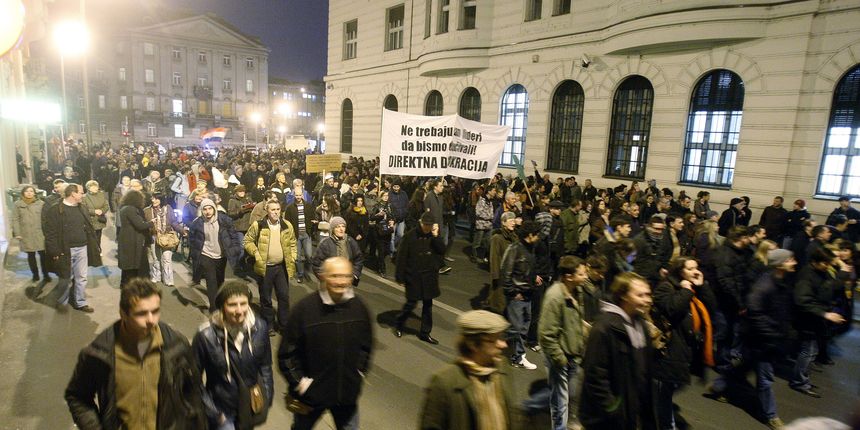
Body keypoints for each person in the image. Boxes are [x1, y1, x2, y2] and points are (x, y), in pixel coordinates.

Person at [65, 279, 206, 429]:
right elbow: (77, 397)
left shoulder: (177, 345)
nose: (151, 320)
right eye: (141, 314)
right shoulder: (99, 353)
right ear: (123, 314)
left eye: (155, 311)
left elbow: (194, 392)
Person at [278, 256, 374, 430]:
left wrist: (358, 374)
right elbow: (286, 354)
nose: (341, 281)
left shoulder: (359, 308)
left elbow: (366, 347)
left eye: (346, 276)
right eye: (335, 276)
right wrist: (301, 384)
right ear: (323, 276)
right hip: (311, 398)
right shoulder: (304, 309)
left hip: (346, 398)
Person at [579, 272, 658, 430]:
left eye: (648, 294)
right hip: (607, 420)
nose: (647, 300)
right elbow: (595, 377)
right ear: (623, 296)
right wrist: (614, 410)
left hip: (630, 414)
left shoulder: (641, 325)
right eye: (640, 295)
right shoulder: (605, 327)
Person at [419, 310, 520, 430]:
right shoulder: (444, 382)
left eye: (502, 338)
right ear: (473, 344)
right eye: (494, 340)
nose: (503, 345)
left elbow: (510, 412)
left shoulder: (502, 367)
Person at [193, 281, 274, 429]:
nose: (239, 310)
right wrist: (213, 412)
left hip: (249, 408)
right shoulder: (205, 336)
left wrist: (267, 397)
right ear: (222, 307)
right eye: (232, 305)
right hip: (222, 412)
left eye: (243, 303)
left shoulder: (260, 327)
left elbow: (265, 366)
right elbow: (193, 380)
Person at [652, 257, 717, 430]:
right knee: (665, 394)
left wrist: (702, 287)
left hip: (686, 350)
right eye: (690, 269)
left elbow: (711, 309)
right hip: (670, 351)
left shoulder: (695, 287)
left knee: (668, 390)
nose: (695, 272)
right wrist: (686, 291)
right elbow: (672, 309)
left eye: (696, 267)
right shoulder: (667, 287)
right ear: (679, 271)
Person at [745, 249, 797, 430]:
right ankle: (771, 416)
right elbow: (755, 313)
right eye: (790, 260)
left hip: (769, 339)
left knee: (745, 366)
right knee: (765, 379)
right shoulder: (765, 285)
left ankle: (720, 385)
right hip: (763, 341)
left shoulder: (781, 281)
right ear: (780, 264)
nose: (794, 262)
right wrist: (772, 334)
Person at [539, 256, 590, 430]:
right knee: (561, 402)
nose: (586, 277)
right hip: (561, 358)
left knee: (569, 395)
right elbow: (546, 334)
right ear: (569, 276)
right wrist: (560, 359)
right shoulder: (555, 297)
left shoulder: (577, 291)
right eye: (582, 274)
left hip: (573, 356)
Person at [790, 247, 848, 397]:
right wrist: (825, 314)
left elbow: (832, 286)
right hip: (808, 320)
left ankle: (801, 379)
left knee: (810, 351)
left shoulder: (821, 272)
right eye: (825, 263)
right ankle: (799, 382)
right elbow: (802, 301)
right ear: (815, 262)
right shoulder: (806, 276)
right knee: (808, 351)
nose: (828, 266)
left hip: (815, 319)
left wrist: (843, 271)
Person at [43, 183, 101, 313]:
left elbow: (89, 228)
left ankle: (80, 302)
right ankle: (62, 302)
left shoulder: (82, 208)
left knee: (82, 277)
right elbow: (50, 233)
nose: (83, 195)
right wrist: (54, 251)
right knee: (65, 278)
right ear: (73, 194)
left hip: (82, 248)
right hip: (65, 250)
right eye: (81, 192)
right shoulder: (55, 210)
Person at [243, 199, 297, 334]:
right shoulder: (258, 225)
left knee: (283, 297)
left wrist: (293, 257)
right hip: (265, 268)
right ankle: (269, 324)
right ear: (267, 210)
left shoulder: (286, 225)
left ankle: (284, 325)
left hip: (281, 268)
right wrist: (256, 253)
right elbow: (247, 241)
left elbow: (292, 242)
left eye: (278, 209)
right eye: (273, 209)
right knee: (266, 298)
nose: (276, 212)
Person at [393, 212, 446, 344]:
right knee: (411, 303)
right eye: (425, 225)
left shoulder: (433, 236)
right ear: (421, 223)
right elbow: (401, 257)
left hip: (429, 276)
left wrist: (436, 236)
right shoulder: (410, 236)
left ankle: (425, 333)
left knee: (428, 305)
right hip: (414, 275)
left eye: (429, 225)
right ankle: (399, 323)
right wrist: (400, 277)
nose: (427, 228)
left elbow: (441, 250)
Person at [500, 220, 542, 370]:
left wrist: (534, 277)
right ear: (530, 235)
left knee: (522, 327)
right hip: (518, 295)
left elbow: (526, 269)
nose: (538, 237)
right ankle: (517, 357)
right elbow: (505, 272)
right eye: (537, 234)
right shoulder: (514, 249)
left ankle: (512, 351)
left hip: (527, 293)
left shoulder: (530, 249)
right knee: (516, 328)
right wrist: (513, 292)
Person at [189, 198, 243, 312]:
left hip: (221, 256)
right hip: (206, 255)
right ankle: (214, 310)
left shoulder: (224, 220)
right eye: (205, 209)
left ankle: (219, 303)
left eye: (210, 208)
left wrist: (235, 249)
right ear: (201, 210)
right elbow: (192, 238)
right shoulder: (197, 223)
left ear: (214, 209)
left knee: (220, 281)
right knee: (211, 282)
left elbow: (233, 236)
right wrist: (195, 252)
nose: (207, 211)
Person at [12, 185, 50, 282]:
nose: (29, 193)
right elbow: (15, 219)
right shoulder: (18, 204)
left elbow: (46, 218)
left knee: (43, 255)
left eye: (31, 191)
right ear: (23, 193)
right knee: (31, 255)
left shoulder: (41, 203)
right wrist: (17, 233)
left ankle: (46, 274)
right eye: (27, 191)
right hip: (26, 233)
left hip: (39, 233)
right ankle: (35, 275)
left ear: (34, 193)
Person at [118, 189, 155, 286]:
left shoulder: (124, 208)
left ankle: (126, 283)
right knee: (132, 263)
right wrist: (151, 223)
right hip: (132, 239)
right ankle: (131, 284)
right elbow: (140, 225)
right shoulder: (131, 209)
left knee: (128, 264)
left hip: (127, 238)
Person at [311, 216, 363, 283]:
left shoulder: (350, 241)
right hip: (329, 283)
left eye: (343, 226)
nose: (341, 229)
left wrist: (355, 274)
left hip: (346, 281)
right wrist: (325, 279)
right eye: (338, 227)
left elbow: (358, 259)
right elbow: (316, 264)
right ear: (332, 229)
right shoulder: (325, 243)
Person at [145, 192, 182, 287]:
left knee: (167, 258)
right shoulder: (147, 210)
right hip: (153, 236)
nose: (153, 200)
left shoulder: (168, 208)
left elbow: (174, 222)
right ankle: (156, 276)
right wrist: (150, 224)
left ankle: (168, 279)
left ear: (161, 200)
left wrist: (182, 231)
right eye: (152, 198)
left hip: (166, 237)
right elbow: (144, 224)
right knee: (156, 258)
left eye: (156, 198)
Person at [284, 185, 316, 283]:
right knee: (297, 257)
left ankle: (307, 271)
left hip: (306, 234)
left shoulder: (308, 206)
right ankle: (300, 274)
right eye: (296, 195)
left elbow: (312, 218)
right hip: (296, 236)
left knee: (309, 255)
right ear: (294, 195)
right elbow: (287, 223)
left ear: (302, 195)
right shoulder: (289, 208)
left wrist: (311, 227)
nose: (298, 197)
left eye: (299, 195)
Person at [488, 212, 518, 313]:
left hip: (512, 276)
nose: (513, 223)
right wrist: (496, 276)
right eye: (510, 220)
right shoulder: (497, 238)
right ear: (503, 223)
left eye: (514, 220)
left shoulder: (515, 237)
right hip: (501, 275)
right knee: (499, 302)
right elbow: (494, 257)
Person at [81, 180, 110, 246]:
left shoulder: (101, 195)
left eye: (96, 186)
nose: (95, 188)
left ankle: (98, 249)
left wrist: (102, 211)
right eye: (93, 187)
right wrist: (94, 211)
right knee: (91, 239)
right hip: (90, 221)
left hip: (100, 220)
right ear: (88, 188)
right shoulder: (84, 197)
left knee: (98, 237)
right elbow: (83, 209)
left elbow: (106, 206)